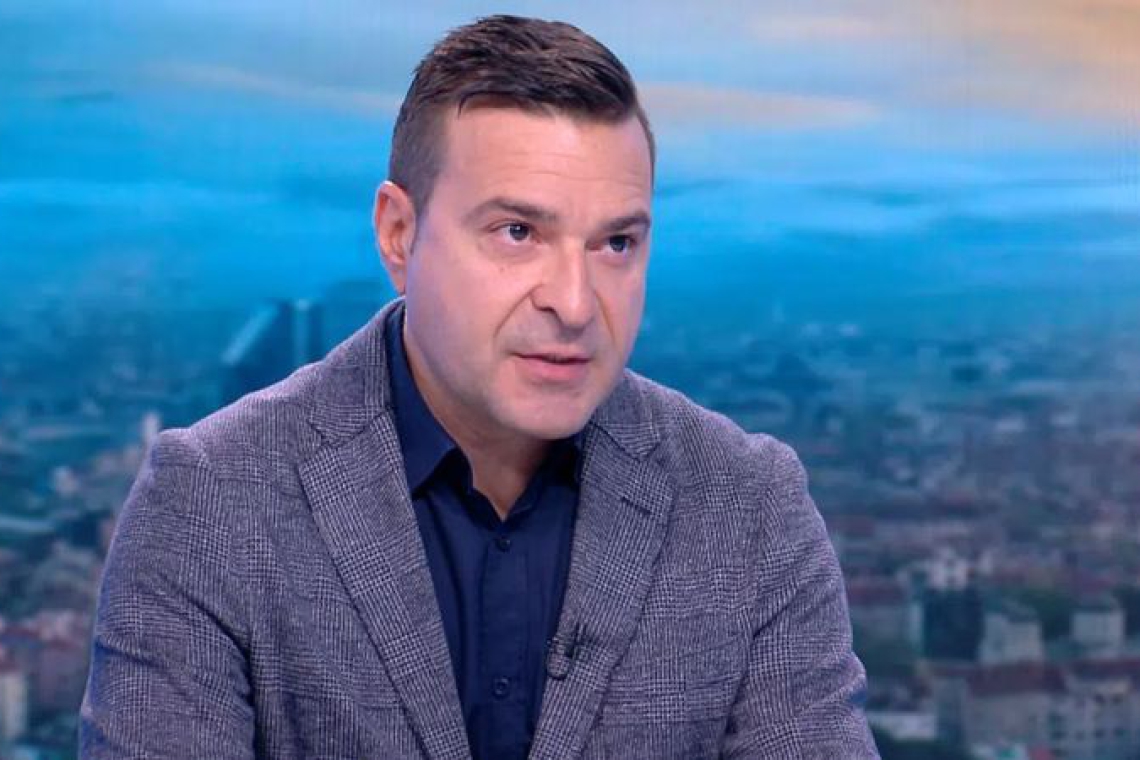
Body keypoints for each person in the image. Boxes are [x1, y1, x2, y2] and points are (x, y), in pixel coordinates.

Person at [80, 14, 878, 760]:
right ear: (399, 235)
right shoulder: (213, 498)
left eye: (615, 243)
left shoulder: (748, 505)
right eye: (518, 232)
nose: (574, 303)